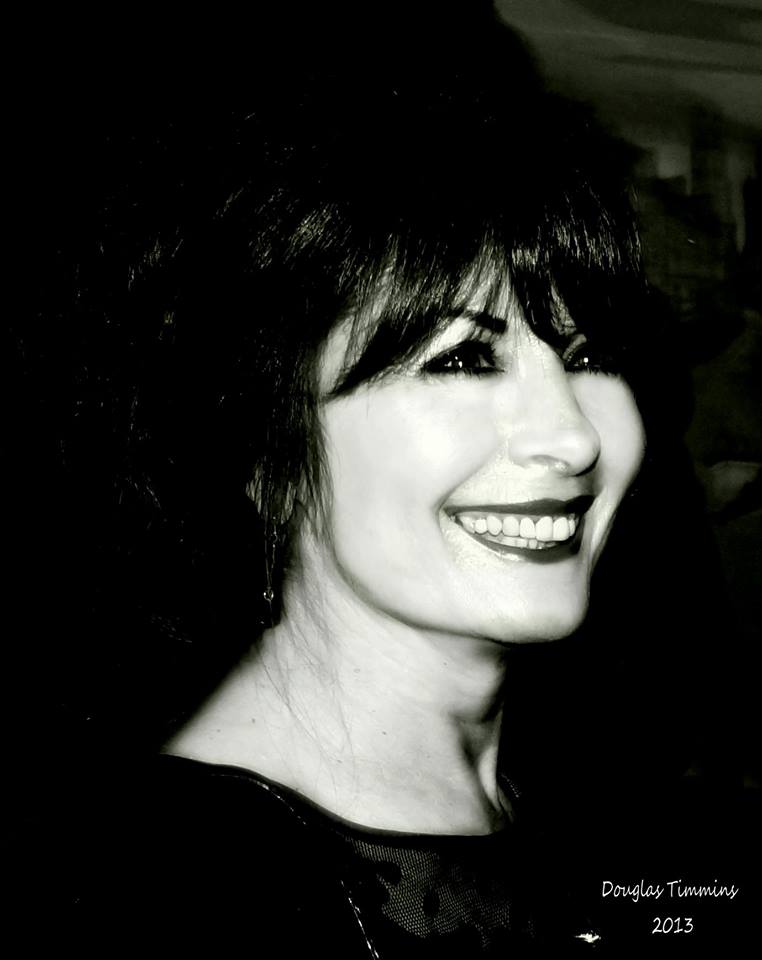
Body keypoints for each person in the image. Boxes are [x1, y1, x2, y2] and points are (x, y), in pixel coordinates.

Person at [5, 4, 752, 957]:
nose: (570, 436)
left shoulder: (599, 810)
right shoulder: (173, 901)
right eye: (460, 360)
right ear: (259, 441)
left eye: (588, 354)